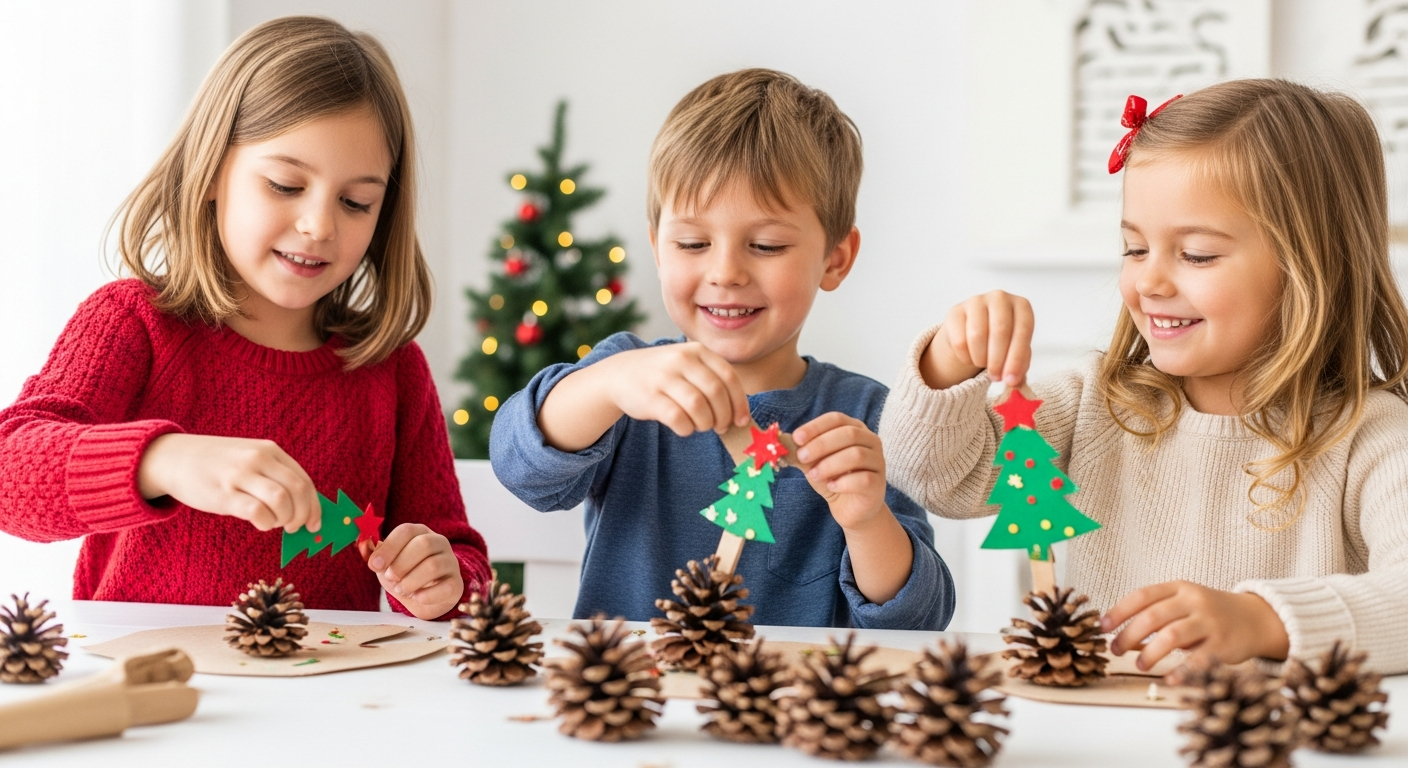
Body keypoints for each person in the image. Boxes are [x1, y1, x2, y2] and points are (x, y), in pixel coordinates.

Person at [880, 79, 1408, 673]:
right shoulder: (1096, 406)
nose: (1149, 282)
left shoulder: (1372, 437)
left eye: (1197, 255)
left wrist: (1262, 620)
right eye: (1134, 249)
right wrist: (949, 358)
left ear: (1313, 263)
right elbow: (928, 477)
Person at [0, 16, 489, 620]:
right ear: (211, 173)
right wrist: (163, 461)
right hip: (151, 694)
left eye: (355, 201)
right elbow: (11, 474)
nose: (319, 225)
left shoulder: (391, 371)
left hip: (333, 702)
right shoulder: (131, 323)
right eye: (285, 185)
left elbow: (457, 560)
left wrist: (444, 581)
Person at [491, 69, 954, 629]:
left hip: (795, 710)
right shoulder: (629, 384)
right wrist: (607, 383)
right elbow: (520, 466)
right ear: (658, 247)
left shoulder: (869, 417)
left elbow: (917, 623)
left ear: (835, 258)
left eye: (766, 245)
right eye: (692, 243)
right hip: (631, 704)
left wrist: (867, 521)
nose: (726, 272)